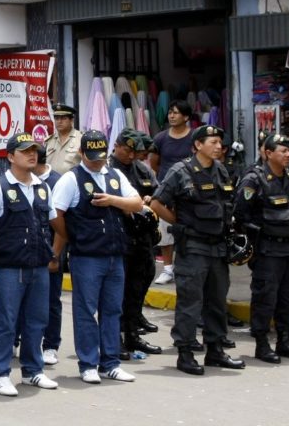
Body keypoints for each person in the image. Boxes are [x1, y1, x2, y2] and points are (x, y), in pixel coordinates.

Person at [149, 125, 246, 375]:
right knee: (191, 302)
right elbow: (157, 202)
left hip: (217, 247)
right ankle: (185, 352)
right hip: (193, 247)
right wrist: (179, 223)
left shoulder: (221, 170)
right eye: (212, 141)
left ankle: (215, 350)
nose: (218, 146)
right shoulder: (181, 171)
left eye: (219, 142)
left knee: (216, 301)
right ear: (197, 145)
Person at [51, 130, 141, 384]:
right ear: (81, 154)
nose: (97, 161)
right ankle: (88, 363)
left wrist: (113, 200)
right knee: (86, 311)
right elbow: (55, 213)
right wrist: (72, 236)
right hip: (87, 256)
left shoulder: (114, 175)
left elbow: (137, 203)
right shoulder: (71, 179)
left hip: (115, 255)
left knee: (113, 310)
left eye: (101, 156)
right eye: (92, 157)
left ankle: (110, 362)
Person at [0, 133, 61, 397]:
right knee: (6, 322)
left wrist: (52, 255)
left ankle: (33, 371)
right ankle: (0, 374)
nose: (32, 154)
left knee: (37, 320)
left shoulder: (42, 186)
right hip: (10, 267)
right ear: (11, 156)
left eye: (35, 150)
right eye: (25, 151)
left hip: (38, 266)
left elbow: (54, 224)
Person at [234, 134, 289, 364]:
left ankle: (284, 340)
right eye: (283, 151)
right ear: (268, 153)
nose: (288, 155)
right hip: (267, 251)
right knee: (265, 298)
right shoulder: (254, 180)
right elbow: (240, 215)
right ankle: (262, 343)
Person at [108, 130, 165, 358]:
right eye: (127, 150)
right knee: (118, 294)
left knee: (138, 286)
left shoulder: (141, 169)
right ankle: (116, 339)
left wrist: (150, 199)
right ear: (117, 145)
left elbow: (157, 191)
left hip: (142, 238)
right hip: (120, 238)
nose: (131, 156)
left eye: (135, 152)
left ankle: (132, 334)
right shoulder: (108, 171)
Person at [151, 100, 195, 284]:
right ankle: (168, 268)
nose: (171, 116)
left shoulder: (194, 137)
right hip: (166, 189)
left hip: (189, 190)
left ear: (186, 117)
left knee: (188, 228)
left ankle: (188, 264)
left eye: (176, 113)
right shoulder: (161, 138)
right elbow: (154, 162)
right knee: (165, 230)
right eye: (170, 112)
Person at [30, 145, 64, 365]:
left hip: (49, 252)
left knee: (51, 301)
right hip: (26, 253)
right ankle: (18, 341)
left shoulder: (57, 182)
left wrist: (55, 254)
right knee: (23, 301)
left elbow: (62, 224)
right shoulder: (20, 180)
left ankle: (50, 345)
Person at [44, 103, 82, 175]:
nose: (59, 121)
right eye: (57, 118)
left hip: (73, 183)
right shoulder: (49, 141)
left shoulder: (80, 139)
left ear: (71, 120)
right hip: (51, 183)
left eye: (63, 118)